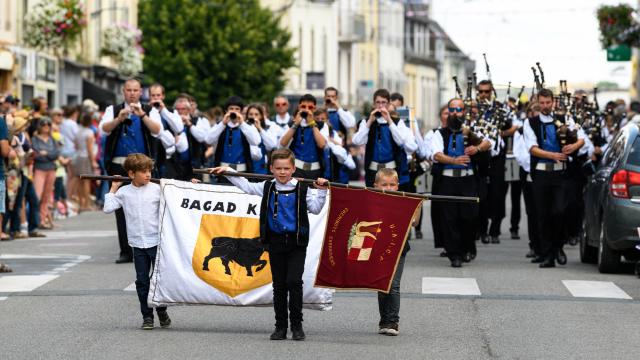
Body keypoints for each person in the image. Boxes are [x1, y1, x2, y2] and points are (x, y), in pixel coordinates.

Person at [210, 148, 328, 341]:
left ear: (293, 169)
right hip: (274, 243)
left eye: (286, 168)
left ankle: (297, 326)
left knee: (294, 282)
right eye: (278, 168)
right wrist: (229, 171)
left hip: (296, 243)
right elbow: (246, 186)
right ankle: (280, 327)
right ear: (272, 168)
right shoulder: (267, 187)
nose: (282, 172)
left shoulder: (302, 188)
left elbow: (315, 208)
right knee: (279, 285)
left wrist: (322, 191)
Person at [103, 153, 171, 330]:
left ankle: (161, 310)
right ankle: (147, 316)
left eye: (149, 170)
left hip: (156, 242)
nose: (148, 174)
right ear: (131, 174)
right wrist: (114, 188)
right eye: (143, 172)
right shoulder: (124, 192)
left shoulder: (158, 189)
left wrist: (190, 186)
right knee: (142, 281)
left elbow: (177, 198)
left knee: (158, 280)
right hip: (137, 244)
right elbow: (108, 208)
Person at [99, 78, 164, 264]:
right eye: (129, 90)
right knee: (121, 208)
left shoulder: (149, 110)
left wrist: (142, 115)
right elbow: (104, 129)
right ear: (123, 91)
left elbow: (157, 131)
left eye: (135, 90)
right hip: (120, 165)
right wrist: (119, 118)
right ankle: (125, 251)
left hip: (143, 167)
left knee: (148, 207)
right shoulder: (113, 109)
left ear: (140, 92)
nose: (132, 93)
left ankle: (149, 246)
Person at [523, 89, 585, 268]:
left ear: (553, 102)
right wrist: (552, 155)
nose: (545, 106)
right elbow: (532, 148)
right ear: (537, 103)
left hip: (561, 173)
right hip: (541, 173)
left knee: (559, 211)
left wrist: (572, 147)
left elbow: (581, 137)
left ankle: (558, 246)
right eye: (542, 103)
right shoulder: (530, 123)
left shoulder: (565, 119)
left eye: (548, 103)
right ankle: (547, 253)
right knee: (542, 215)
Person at [431, 98, 491, 267]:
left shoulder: (471, 131)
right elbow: (436, 154)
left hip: (468, 180)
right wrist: (453, 160)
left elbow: (488, 142)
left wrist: (477, 148)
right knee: (450, 218)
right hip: (448, 180)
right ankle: (454, 254)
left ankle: (467, 246)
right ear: (448, 111)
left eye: (459, 110)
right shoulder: (439, 133)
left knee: (469, 217)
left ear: (464, 112)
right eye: (452, 109)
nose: (456, 113)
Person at [374, 168, 421, 336]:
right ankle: (384, 321)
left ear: (398, 186)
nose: (388, 188)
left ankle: (393, 321)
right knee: (381, 285)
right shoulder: (371, 200)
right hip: (378, 248)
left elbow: (414, 222)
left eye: (392, 185)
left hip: (399, 248)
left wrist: (417, 205)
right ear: (376, 185)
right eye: (384, 184)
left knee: (393, 285)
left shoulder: (404, 201)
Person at [352, 89, 417, 189]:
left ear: (388, 104)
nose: (380, 106)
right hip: (373, 170)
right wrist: (370, 121)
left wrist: (389, 120)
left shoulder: (397, 122)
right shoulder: (366, 121)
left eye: (383, 102)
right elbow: (357, 141)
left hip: (391, 170)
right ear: (374, 104)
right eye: (378, 102)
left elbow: (401, 142)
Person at [205, 96, 261, 177]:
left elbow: (256, 142)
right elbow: (208, 140)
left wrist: (242, 123)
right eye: (231, 108)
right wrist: (222, 124)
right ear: (226, 111)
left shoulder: (247, 126)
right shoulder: (220, 126)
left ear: (241, 112)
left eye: (237, 109)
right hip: (222, 171)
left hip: (241, 171)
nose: (234, 111)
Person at [279, 94, 328, 179]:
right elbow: (283, 143)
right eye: (303, 106)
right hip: (296, 168)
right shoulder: (292, 124)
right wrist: (296, 124)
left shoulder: (321, 125)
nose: (306, 110)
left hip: (315, 169)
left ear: (315, 109)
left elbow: (322, 144)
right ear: (299, 107)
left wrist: (312, 123)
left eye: (310, 107)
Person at [31, 117, 60, 229]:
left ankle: (42, 220)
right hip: (39, 169)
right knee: (37, 195)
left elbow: (56, 154)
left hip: (51, 169)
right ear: (40, 126)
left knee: (47, 197)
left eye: (48, 124)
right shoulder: (35, 139)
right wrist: (48, 155)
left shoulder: (52, 139)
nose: (46, 127)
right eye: (43, 124)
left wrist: (46, 154)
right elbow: (36, 155)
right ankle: (35, 220)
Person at [74, 113, 99, 211]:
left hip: (78, 156)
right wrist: (93, 161)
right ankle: (87, 204)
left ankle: (81, 203)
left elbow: (76, 145)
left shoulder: (78, 131)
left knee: (79, 181)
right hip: (86, 157)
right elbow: (90, 149)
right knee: (86, 182)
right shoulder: (89, 132)